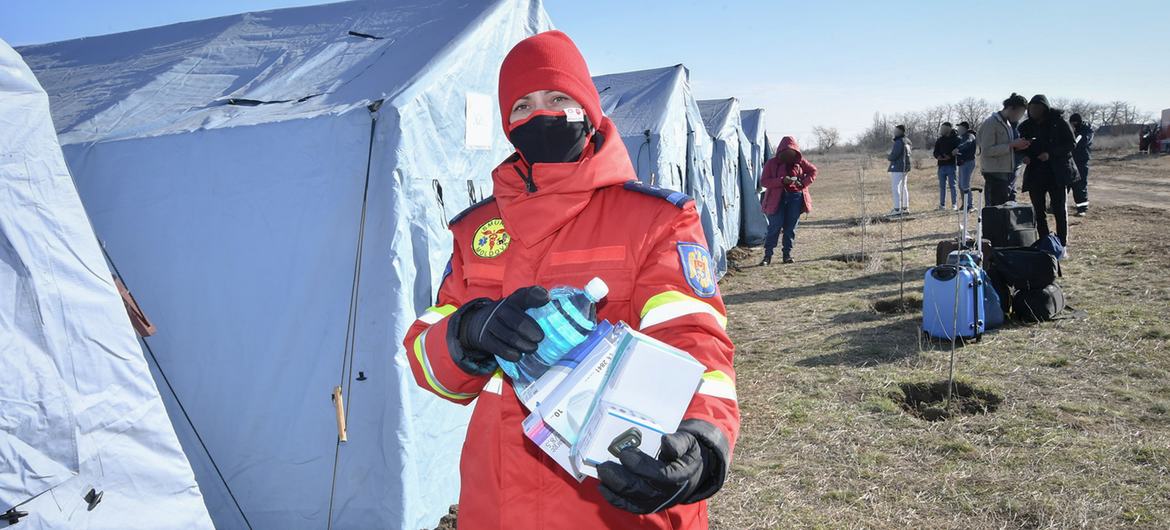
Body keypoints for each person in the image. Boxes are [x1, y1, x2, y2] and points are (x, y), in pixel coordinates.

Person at [402, 31, 738, 530]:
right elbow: (429, 365)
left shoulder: (655, 219)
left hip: (613, 498)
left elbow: (695, 341)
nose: (542, 115)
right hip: (494, 505)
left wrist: (702, 440)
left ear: (589, 108)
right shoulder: (475, 232)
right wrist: (468, 332)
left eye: (559, 98)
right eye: (522, 105)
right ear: (507, 124)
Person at [1018, 94, 1077, 249]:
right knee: (1038, 211)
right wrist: (1024, 156)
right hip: (1036, 172)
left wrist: (1050, 154)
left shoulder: (1059, 122)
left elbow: (1071, 144)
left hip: (1057, 172)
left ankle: (1062, 244)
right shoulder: (1025, 126)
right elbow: (1019, 146)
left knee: (1059, 210)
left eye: (1037, 108)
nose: (1033, 111)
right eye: (1031, 108)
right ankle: (1045, 243)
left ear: (1044, 108)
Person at [759, 136, 817, 265]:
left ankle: (787, 255)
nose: (788, 157)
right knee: (775, 227)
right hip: (776, 199)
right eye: (785, 154)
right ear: (780, 152)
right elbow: (764, 181)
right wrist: (781, 181)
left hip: (795, 198)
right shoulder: (771, 163)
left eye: (791, 154)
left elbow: (813, 171)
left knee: (790, 228)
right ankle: (767, 256)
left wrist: (803, 183)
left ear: (796, 152)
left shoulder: (800, 162)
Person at [977, 93, 1032, 206]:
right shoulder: (992, 123)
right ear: (1011, 108)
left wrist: (1019, 146)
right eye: (1020, 113)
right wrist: (1011, 145)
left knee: (1004, 210)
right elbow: (986, 151)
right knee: (995, 210)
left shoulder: (1007, 124)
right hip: (994, 173)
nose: (1020, 116)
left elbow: (1006, 146)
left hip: (1004, 172)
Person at [1068, 113, 1093, 216]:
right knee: (1065, 183)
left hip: (1081, 160)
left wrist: (1074, 140)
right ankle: (1055, 206)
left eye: (1075, 123)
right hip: (1069, 160)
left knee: (1080, 184)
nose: (1074, 125)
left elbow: (1083, 141)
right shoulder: (1068, 128)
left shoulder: (1086, 130)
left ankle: (1082, 208)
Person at [932, 122, 961, 210]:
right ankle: (942, 205)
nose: (942, 130)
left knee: (953, 185)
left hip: (952, 165)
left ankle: (954, 204)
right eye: (941, 128)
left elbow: (958, 150)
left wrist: (950, 156)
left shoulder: (956, 139)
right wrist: (938, 157)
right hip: (941, 166)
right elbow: (935, 152)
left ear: (949, 128)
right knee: (942, 186)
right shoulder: (940, 140)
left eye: (943, 128)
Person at [887, 124, 912, 215]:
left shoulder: (899, 142)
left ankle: (897, 209)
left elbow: (894, 155)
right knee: (903, 187)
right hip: (905, 167)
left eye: (895, 130)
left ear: (901, 131)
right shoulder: (907, 141)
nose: (894, 132)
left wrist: (888, 156)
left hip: (898, 167)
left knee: (895, 187)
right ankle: (905, 208)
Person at [953, 121, 978, 210]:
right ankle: (965, 204)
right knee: (961, 185)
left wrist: (958, 148)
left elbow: (967, 143)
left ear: (964, 128)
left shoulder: (970, 136)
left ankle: (971, 206)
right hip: (962, 163)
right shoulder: (961, 137)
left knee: (965, 185)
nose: (958, 129)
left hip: (968, 162)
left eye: (959, 127)